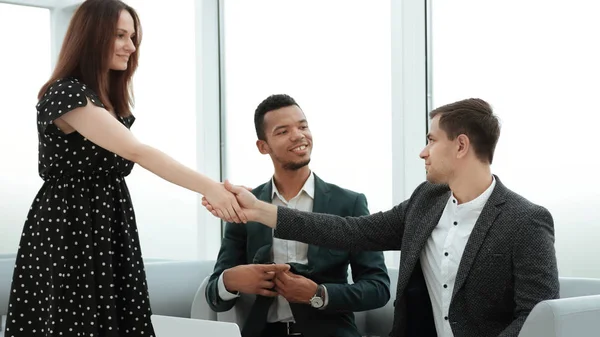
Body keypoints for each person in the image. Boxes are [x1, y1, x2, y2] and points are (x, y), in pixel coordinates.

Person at [205, 98, 560, 337]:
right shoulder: (426, 201)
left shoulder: (525, 220)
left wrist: (317, 294)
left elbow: (536, 317)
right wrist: (260, 210)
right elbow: (352, 232)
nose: (423, 151)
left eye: (431, 140)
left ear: (461, 146)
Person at [4, 1, 252, 336]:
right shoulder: (65, 94)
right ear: (91, 36)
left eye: (133, 36)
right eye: (120, 35)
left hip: (107, 219)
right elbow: (137, 151)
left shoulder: (103, 101)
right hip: (70, 224)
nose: (131, 46)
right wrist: (210, 187)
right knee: (74, 322)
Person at [205, 94, 390, 337]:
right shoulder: (247, 206)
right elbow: (214, 296)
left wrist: (319, 294)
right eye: (283, 131)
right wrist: (231, 280)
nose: (298, 135)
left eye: (302, 126)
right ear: (263, 146)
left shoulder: (349, 203)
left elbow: (378, 288)